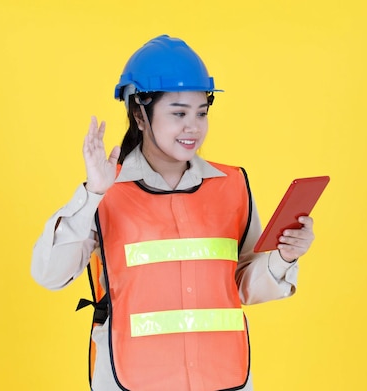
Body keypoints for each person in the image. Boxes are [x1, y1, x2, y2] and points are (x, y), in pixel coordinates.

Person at [31, 34, 316, 391]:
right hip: (131, 378)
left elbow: (242, 287)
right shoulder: (106, 190)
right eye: (178, 113)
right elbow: (49, 274)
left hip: (223, 378)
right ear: (139, 113)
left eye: (201, 113)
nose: (193, 127)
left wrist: (285, 257)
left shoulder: (232, 185)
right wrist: (92, 194)